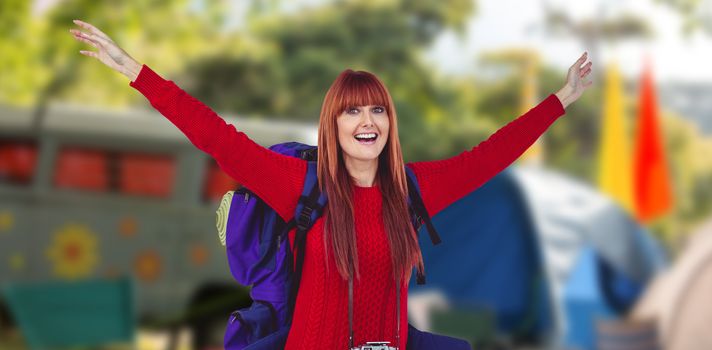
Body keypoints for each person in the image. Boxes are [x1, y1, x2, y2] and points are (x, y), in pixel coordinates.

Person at [70, 19, 593, 350]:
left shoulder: (411, 190)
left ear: (389, 121)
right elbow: (217, 138)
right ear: (334, 126)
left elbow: (490, 156)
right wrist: (136, 72)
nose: (367, 121)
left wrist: (563, 98)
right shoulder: (301, 185)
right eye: (353, 112)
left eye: (377, 110)